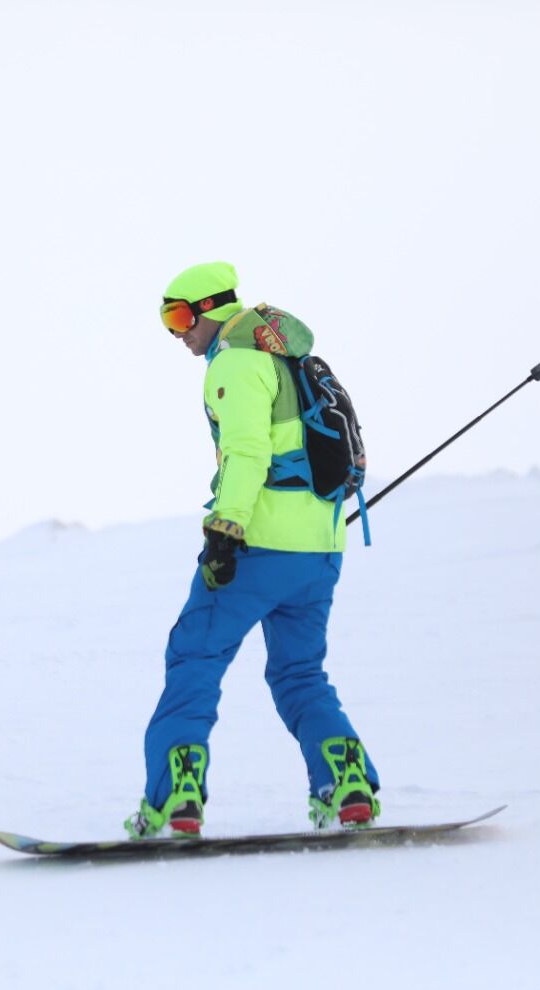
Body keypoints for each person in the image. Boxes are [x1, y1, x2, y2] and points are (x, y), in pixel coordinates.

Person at [125, 261, 381, 839]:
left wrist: (225, 531)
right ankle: (346, 786)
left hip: (257, 545)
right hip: (318, 548)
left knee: (194, 658)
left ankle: (174, 800)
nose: (177, 332)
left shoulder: (235, 364)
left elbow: (246, 452)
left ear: (211, 308)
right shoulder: (288, 360)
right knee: (300, 674)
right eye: (168, 319)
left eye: (181, 315)